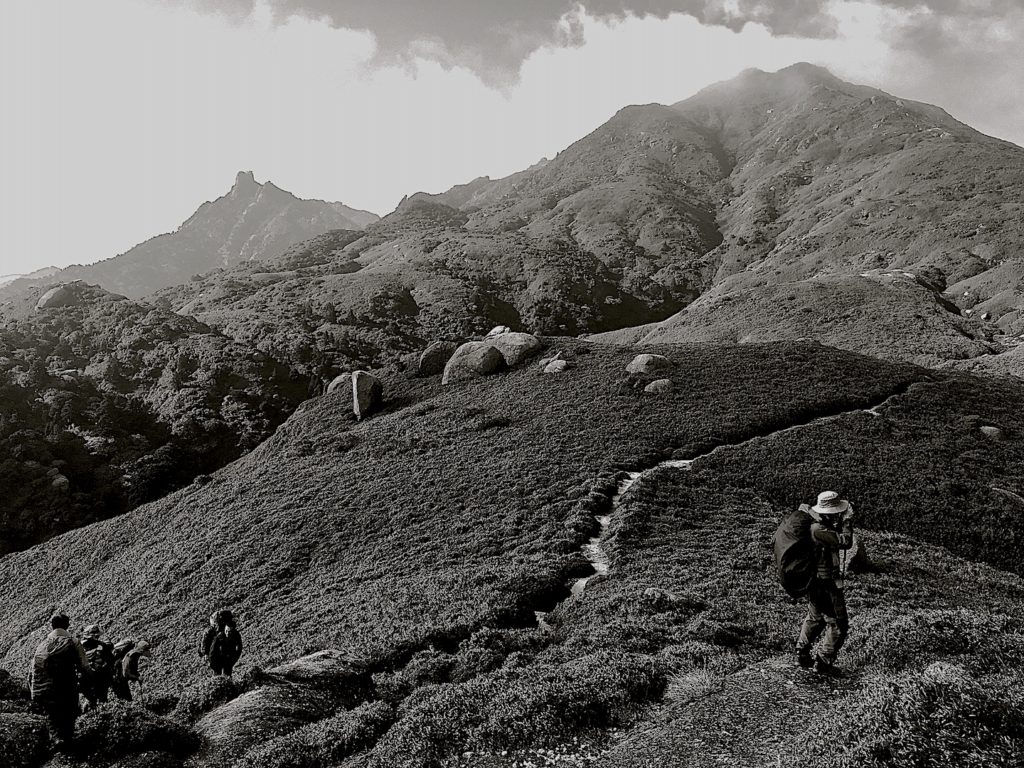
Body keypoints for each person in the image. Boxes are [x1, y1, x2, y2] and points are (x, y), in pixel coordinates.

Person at [795, 491, 854, 675]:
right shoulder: (818, 529)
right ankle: (823, 661)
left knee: (815, 617)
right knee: (838, 622)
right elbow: (845, 541)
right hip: (825, 583)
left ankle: (801, 652)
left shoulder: (815, 524)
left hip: (814, 582)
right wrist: (846, 522)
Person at [29, 612, 91, 749]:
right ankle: (68, 744)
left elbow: (33, 670)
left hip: (44, 690)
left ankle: (57, 742)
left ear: (52, 627)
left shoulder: (42, 645)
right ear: (67, 625)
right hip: (66, 688)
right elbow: (84, 666)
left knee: (52, 716)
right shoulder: (72, 642)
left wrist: (34, 691)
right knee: (69, 714)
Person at [80, 624, 115, 709]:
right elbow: (111, 659)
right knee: (100, 698)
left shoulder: (80, 646)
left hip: (89, 677)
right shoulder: (101, 645)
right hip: (97, 677)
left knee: (93, 699)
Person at [201, 609, 243, 676]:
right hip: (217, 654)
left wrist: (233, 659)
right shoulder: (215, 632)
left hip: (227, 654)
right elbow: (209, 644)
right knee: (218, 671)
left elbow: (238, 647)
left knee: (226, 671)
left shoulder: (232, 631)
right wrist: (206, 654)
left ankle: (222, 682)